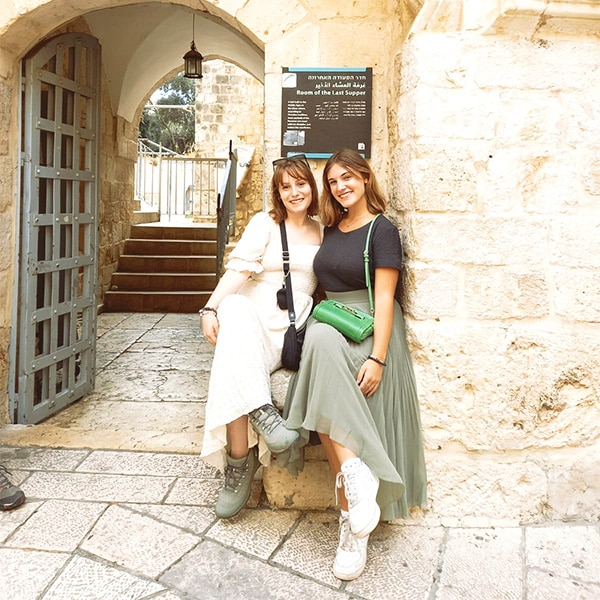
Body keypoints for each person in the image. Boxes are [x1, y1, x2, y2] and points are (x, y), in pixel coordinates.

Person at [281, 148, 427, 581]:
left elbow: (385, 299)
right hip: (333, 327)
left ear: (365, 179)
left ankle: (353, 524)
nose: (340, 186)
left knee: (320, 364)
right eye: (332, 181)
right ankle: (355, 486)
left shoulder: (382, 231)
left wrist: (379, 358)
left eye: (348, 178)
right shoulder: (331, 227)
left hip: (371, 332)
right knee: (321, 344)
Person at [200, 154, 322, 519]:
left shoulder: (324, 229)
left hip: (287, 328)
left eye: (301, 184)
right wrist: (209, 308)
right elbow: (238, 271)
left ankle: (240, 461)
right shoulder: (265, 223)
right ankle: (254, 431)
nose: (294, 192)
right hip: (251, 314)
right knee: (232, 310)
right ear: (277, 192)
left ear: (311, 188)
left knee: (231, 361)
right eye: (286, 186)